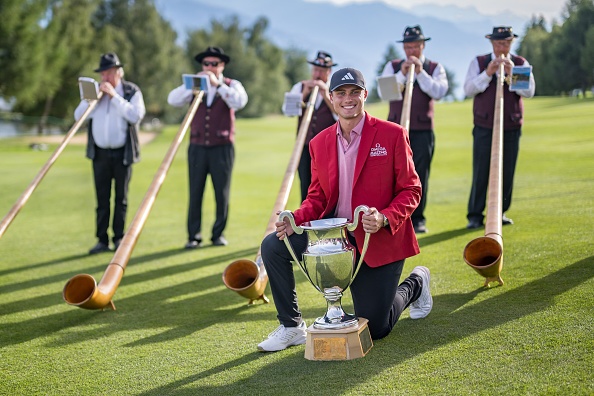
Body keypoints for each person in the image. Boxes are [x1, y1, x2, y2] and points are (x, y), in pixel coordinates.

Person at [257, 67, 433, 352]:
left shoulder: (393, 134)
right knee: (273, 245)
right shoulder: (319, 142)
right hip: (334, 238)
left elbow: (412, 190)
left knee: (377, 327)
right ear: (331, 97)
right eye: (341, 93)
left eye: (354, 92)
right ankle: (291, 326)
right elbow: (317, 196)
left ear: (364, 95)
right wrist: (296, 218)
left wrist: (385, 217)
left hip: (376, 238)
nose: (347, 99)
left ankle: (416, 283)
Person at [168, 46, 248, 248]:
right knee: (195, 192)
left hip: (222, 147)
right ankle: (193, 236)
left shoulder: (232, 84)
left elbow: (239, 102)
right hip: (197, 146)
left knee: (222, 193)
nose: (210, 67)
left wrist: (218, 85)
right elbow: (172, 100)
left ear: (222, 66)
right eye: (206, 64)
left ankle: (218, 234)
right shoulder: (194, 86)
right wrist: (192, 84)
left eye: (214, 64)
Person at [378, 25, 448, 234]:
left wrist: (420, 73)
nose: (411, 51)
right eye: (408, 47)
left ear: (423, 45)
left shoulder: (435, 68)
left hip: (423, 129)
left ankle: (417, 219)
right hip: (394, 129)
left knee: (419, 174)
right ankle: (393, 215)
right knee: (391, 173)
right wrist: (402, 74)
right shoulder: (392, 66)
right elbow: (385, 93)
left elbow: (439, 91)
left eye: (415, 46)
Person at [464, 26, 535, 229]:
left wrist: (512, 72)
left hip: (510, 125)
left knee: (507, 169)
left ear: (511, 43)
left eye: (505, 43)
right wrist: (488, 73)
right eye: (498, 44)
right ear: (491, 44)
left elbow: (529, 92)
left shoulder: (520, 63)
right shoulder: (479, 62)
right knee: (481, 170)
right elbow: (468, 89)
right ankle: (475, 215)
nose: (501, 48)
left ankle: (500, 212)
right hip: (484, 125)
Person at [74, 53, 146, 255]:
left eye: (109, 73)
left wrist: (114, 97)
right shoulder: (94, 93)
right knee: (102, 199)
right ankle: (102, 240)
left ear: (118, 73)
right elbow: (78, 117)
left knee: (121, 198)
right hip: (100, 154)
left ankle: (119, 238)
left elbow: (135, 115)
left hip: (122, 153)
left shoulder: (131, 91)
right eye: (103, 73)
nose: (105, 78)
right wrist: (92, 100)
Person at [282, 51, 338, 202]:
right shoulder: (299, 87)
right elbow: (288, 112)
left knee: (326, 186)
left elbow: (340, 116)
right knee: (305, 185)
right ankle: (305, 220)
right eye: (315, 70)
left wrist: (326, 94)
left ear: (329, 72)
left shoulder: (335, 90)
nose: (317, 74)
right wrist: (305, 93)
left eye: (321, 71)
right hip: (304, 146)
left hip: (328, 148)